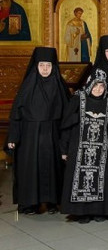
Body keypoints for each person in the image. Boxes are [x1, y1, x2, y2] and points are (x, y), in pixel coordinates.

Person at [5, 47, 69, 214]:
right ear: (36, 66)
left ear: (53, 66)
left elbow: (67, 117)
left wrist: (65, 143)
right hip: (29, 138)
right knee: (30, 170)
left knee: (53, 169)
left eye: (48, 65)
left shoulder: (60, 87)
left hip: (52, 136)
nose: (45, 69)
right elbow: (16, 115)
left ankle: (52, 202)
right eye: (41, 65)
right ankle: (29, 204)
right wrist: (13, 137)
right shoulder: (27, 87)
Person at [60, 69, 108, 223]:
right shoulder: (78, 99)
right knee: (81, 178)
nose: (98, 89)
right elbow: (66, 125)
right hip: (79, 148)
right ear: (89, 84)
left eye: (101, 86)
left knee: (102, 179)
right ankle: (82, 212)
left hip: (103, 149)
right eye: (95, 85)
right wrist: (64, 149)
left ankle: (99, 211)